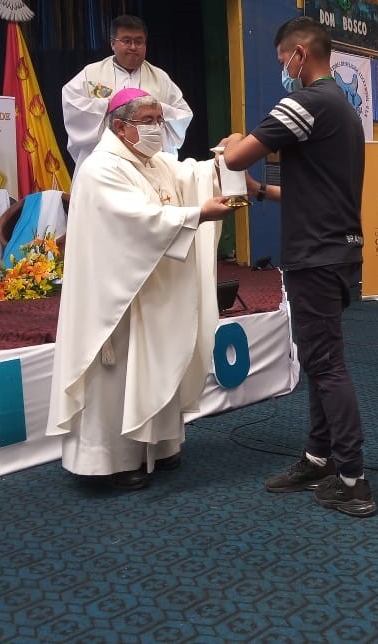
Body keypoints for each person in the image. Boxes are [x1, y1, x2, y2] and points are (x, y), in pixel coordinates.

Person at [222, 16, 375, 518]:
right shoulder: (344, 110)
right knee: (317, 357)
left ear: (299, 55)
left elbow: (237, 157)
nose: (282, 70)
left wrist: (231, 142)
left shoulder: (304, 103)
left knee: (326, 363)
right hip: (339, 250)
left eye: (281, 60)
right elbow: (316, 191)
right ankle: (318, 457)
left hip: (315, 254)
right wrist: (262, 191)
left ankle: (352, 479)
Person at [46, 87, 235, 491]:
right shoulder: (101, 168)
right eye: (147, 121)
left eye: (158, 120)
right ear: (119, 127)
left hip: (151, 288)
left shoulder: (154, 162)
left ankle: (160, 445)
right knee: (116, 376)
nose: (156, 128)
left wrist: (222, 162)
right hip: (115, 296)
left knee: (156, 359)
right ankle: (108, 461)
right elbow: (137, 220)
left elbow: (191, 175)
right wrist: (198, 214)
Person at [62, 14, 193, 172]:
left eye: (139, 42)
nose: (133, 47)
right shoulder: (91, 73)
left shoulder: (160, 78)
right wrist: (107, 105)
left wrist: (157, 109)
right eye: (126, 41)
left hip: (149, 163)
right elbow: (72, 104)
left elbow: (183, 115)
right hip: (105, 163)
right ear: (112, 43)